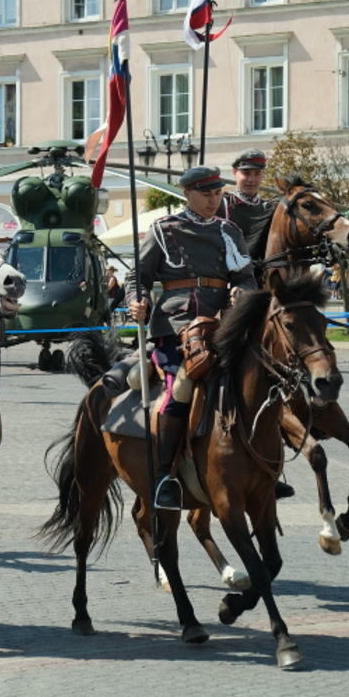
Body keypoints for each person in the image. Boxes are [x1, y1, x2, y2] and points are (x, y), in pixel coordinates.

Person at [128, 166, 257, 510]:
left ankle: (263, 469)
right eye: (206, 194)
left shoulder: (229, 231)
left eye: (217, 194)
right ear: (186, 194)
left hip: (222, 325)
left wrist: (241, 293)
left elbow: (246, 277)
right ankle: (163, 477)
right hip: (176, 325)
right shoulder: (163, 229)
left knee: (259, 378)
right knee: (180, 387)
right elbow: (138, 276)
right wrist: (136, 300)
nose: (213, 200)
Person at [223, 149, 277, 262]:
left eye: (257, 174)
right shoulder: (221, 204)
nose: (251, 180)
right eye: (246, 173)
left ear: (263, 175)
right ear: (234, 172)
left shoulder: (268, 208)